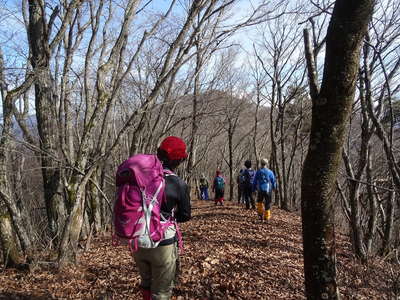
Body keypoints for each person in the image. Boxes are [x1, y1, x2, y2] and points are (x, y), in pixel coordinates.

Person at [133, 136, 191, 300]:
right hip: (162, 243)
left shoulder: (140, 176)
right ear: (178, 160)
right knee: (161, 292)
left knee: (146, 282)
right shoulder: (178, 183)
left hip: (137, 239)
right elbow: (185, 215)